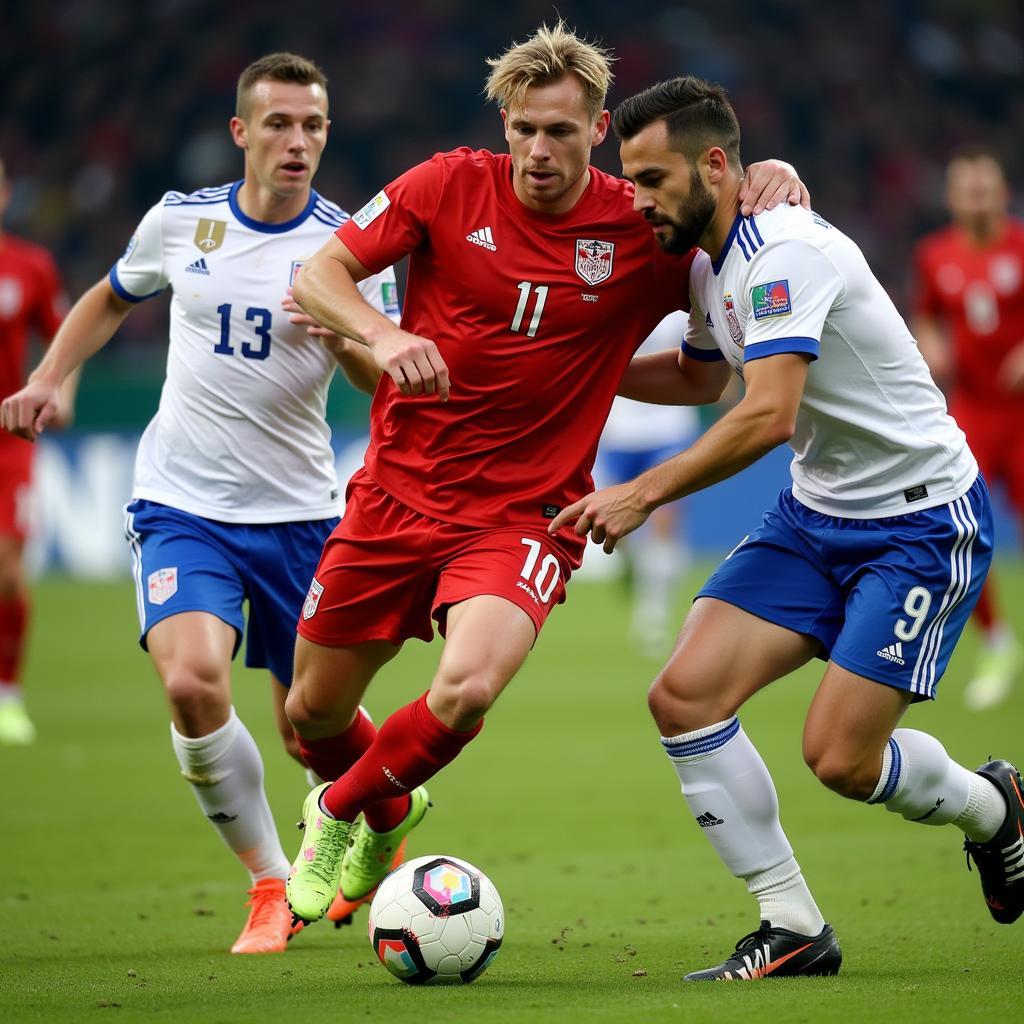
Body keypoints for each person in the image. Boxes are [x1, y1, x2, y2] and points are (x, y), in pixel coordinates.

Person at [279, 21, 807, 927]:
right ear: (504, 124)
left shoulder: (640, 227)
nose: (537, 150)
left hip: (525, 515)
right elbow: (319, 275)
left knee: (467, 685)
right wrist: (387, 333)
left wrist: (777, 178)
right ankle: (387, 804)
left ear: (597, 129)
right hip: (395, 494)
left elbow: (703, 375)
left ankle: (334, 816)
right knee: (310, 719)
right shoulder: (445, 184)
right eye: (522, 129)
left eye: (559, 131)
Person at [550, 75, 1023, 981]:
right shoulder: (706, 260)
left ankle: (993, 808)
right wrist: (578, 370)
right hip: (816, 515)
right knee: (681, 696)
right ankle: (792, 923)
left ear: (717, 165)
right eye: (632, 179)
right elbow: (698, 378)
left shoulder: (786, 252)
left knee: (841, 761)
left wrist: (642, 492)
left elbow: (766, 413)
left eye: (652, 179)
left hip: (920, 521)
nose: (638, 199)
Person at [1, 53, 397, 954]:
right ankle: (268, 881)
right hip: (182, 502)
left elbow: (388, 385)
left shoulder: (351, 249)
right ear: (241, 133)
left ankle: (389, 806)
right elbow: (109, 296)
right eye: (281, 124)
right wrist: (49, 376)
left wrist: (342, 339)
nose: (299, 142)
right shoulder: (182, 224)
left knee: (310, 728)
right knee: (189, 681)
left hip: (301, 514)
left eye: (314, 127)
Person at [912, 146, 1024, 711]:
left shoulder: (1022, 246)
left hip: (1023, 415)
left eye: (986, 190)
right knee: (960, 527)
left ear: (1003, 193)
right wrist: (931, 341)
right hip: (974, 411)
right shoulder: (936, 255)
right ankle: (999, 642)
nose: (977, 200)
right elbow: (926, 311)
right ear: (953, 198)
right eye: (967, 191)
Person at [0, 157, 73, 745]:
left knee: (5, 572)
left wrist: (61, 391)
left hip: (8, 441)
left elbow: (64, 330)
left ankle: (7, 694)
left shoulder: (29, 266)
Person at [598, 310, 697, 654]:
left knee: (665, 520)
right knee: (614, 528)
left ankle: (652, 614)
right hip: (619, 430)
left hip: (668, 428)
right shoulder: (617, 302)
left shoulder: (682, 308)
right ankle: (632, 566)